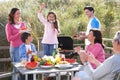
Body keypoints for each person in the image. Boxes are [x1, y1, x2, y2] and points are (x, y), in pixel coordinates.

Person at [5, 8, 26, 80]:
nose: (19, 15)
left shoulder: (22, 24)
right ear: (13, 14)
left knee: (23, 68)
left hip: (23, 48)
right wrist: (19, 33)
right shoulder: (9, 25)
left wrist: (26, 33)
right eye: (17, 13)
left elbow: (25, 37)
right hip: (15, 48)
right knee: (17, 68)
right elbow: (9, 39)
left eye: (20, 13)